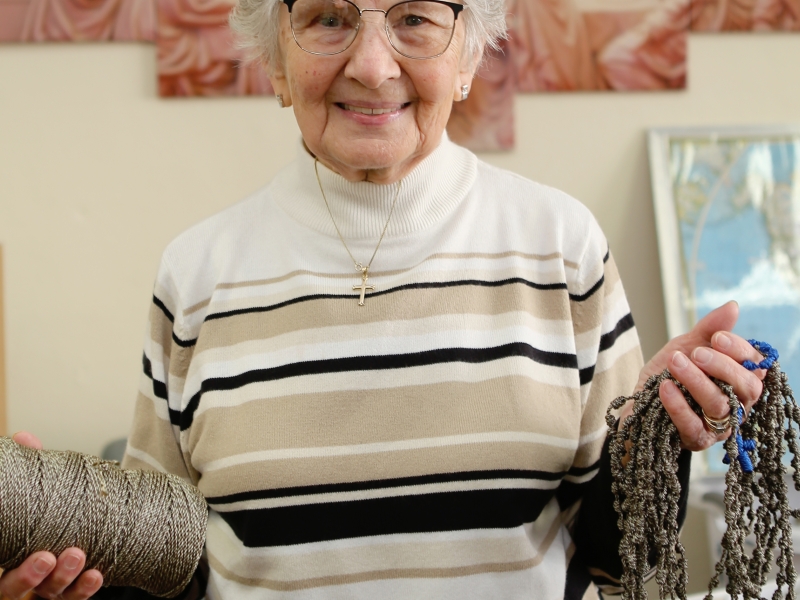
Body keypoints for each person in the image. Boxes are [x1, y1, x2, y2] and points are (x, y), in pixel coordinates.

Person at [0, 0, 766, 596]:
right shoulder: (195, 276)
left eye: (416, 19)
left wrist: (651, 433)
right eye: (328, 18)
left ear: (468, 57)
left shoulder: (561, 246)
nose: (372, 65)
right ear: (275, 59)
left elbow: (617, 559)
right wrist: (58, 563)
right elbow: (162, 562)